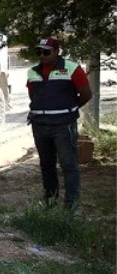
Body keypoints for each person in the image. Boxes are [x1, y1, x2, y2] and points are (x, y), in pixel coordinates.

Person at [27, 36, 92, 209]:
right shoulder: (32, 72)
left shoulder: (71, 69)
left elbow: (86, 95)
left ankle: (71, 205)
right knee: (46, 165)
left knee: (69, 165)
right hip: (40, 125)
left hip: (63, 125)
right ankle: (50, 201)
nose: (42, 55)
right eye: (39, 52)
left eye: (46, 52)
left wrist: (69, 109)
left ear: (56, 52)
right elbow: (33, 95)